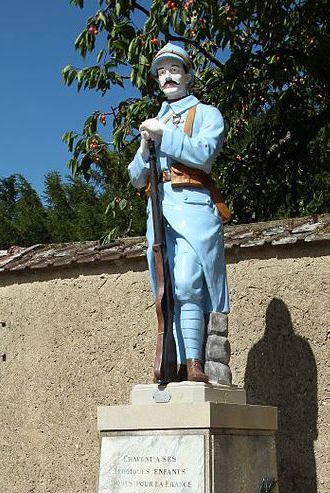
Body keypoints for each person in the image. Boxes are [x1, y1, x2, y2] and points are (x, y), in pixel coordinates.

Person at [128, 42, 229, 383]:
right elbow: (134, 176)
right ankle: (176, 365)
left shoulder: (206, 114)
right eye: (160, 71)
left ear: (187, 74)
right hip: (158, 209)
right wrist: (144, 148)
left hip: (193, 207)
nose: (167, 76)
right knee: (165, 292)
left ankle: (196, 362)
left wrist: (164, 134)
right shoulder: (153, 121)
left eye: (173, 69)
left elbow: (203, 154)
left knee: (187, 284)